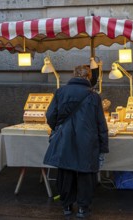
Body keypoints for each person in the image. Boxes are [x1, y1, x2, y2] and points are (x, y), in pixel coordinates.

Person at [43, 65, 109, 218]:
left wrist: (58, 127)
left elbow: (50, 115)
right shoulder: (93, 96)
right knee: (86, 173)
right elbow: (101, 123)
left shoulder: (61, 92)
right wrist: (103, 146)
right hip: (87, 140)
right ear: (87, 77)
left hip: (65, 139)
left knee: (66, 171)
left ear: (74, 75)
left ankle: (66, 206)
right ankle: (82, 208)